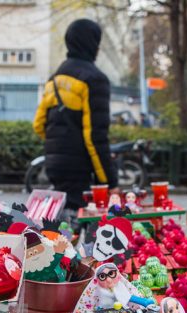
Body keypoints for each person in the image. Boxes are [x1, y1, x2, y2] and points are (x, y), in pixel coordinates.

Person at [33, 19, 119, 223]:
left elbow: (39, 125)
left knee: (59, 229)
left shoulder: (55, 78)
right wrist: (109, 181)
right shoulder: (94, 79)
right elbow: (95, 137)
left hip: (54, 165)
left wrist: (61, 144)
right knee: (81, 231)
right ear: (91, 44)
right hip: (81, 170)